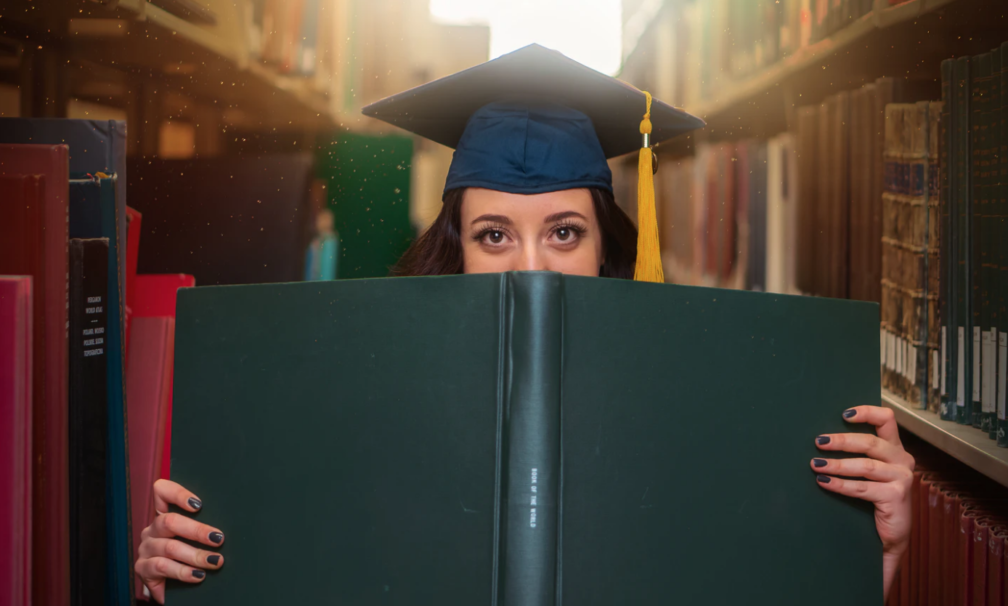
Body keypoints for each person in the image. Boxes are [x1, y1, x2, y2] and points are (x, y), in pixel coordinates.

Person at [134, 44, 914, 603]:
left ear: (609, 245)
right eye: (495, 234)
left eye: (565, 232)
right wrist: (182, 582)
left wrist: (874, 552)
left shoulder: (703, 403)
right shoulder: (356, 395)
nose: (530, 267)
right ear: (457, 246)